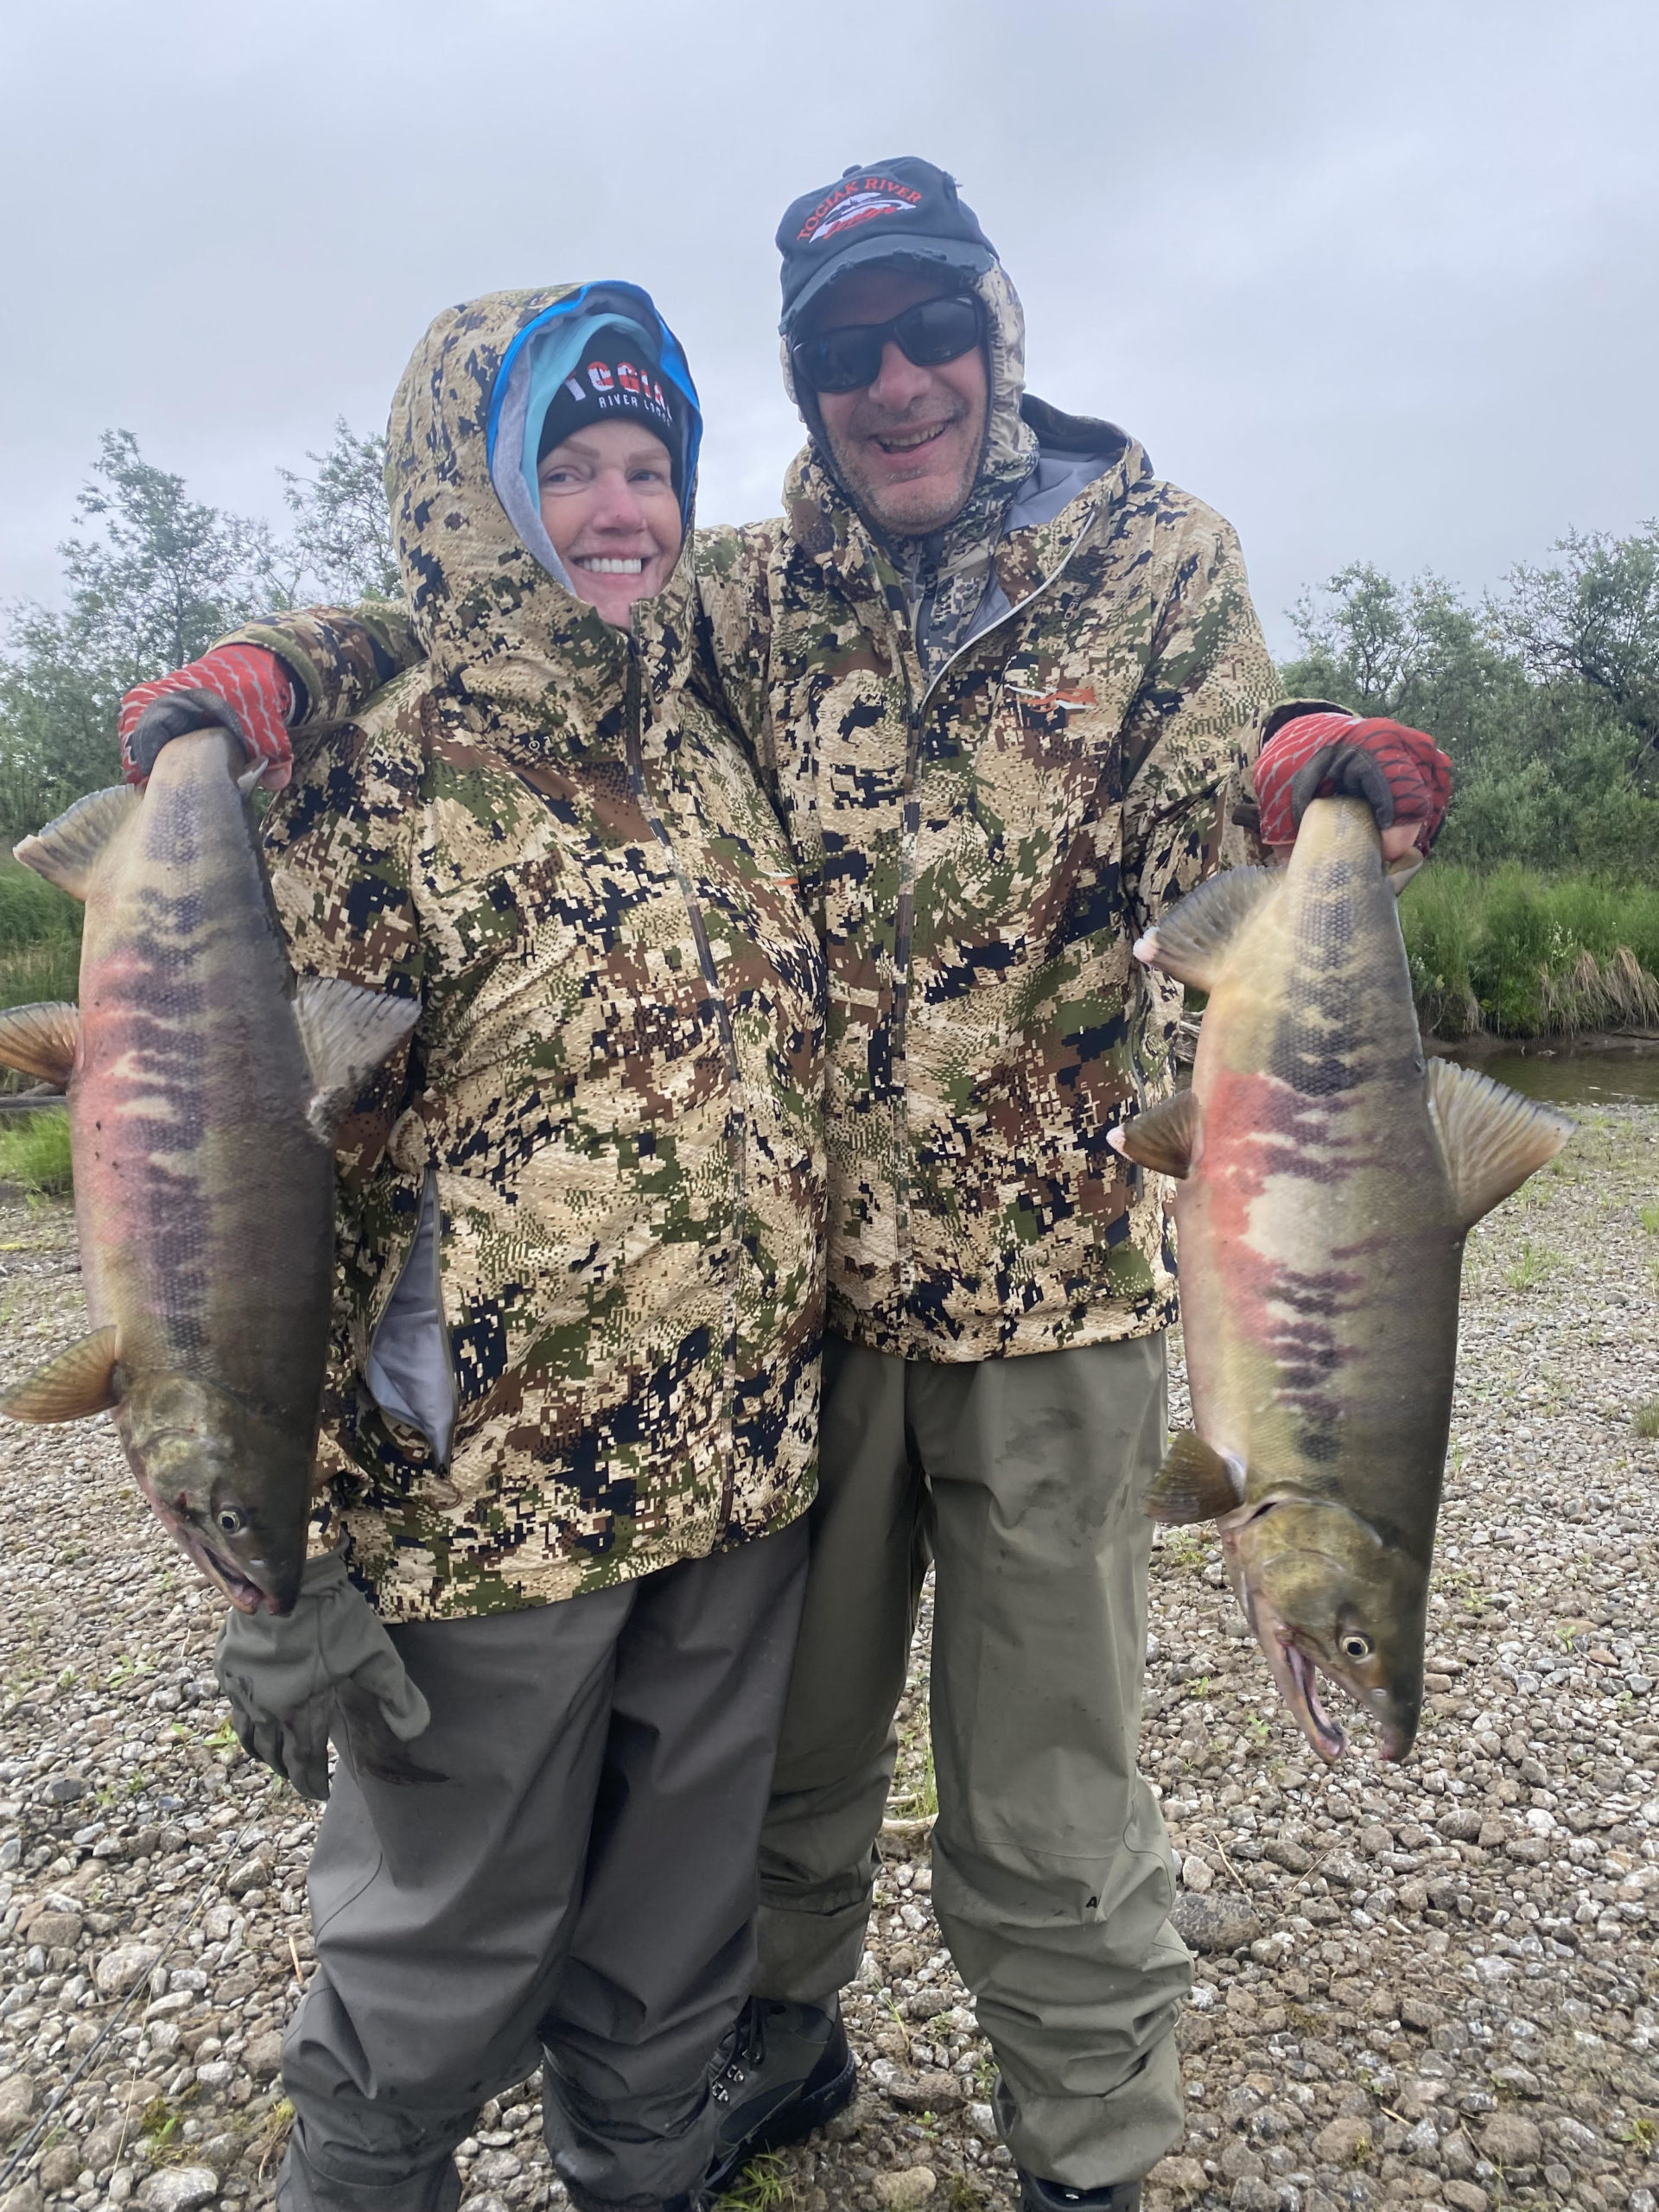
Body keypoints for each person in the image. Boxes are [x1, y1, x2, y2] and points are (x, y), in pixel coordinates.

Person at [124, 166, 1451, 2212]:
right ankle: (769, 2040)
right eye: (845, 349)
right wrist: (268, 676)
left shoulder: (1165, 560)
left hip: (1057, 1300)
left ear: (999, 329)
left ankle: (1088, 2147)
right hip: (802, 1318)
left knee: (1048, 1785)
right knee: (778, 1764)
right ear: (807, 379)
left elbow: (1236, 787)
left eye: (932, 329)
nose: (896, 380)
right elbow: (491, 595)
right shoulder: (747, 587)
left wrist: (1311, 768)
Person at [123, 280, 828, 2212]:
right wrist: (277, 1569)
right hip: (480, 1502)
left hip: (740, 1471)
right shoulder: (358, 768)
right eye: (570, 464)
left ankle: (644, 2168)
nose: (622, 506)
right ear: (474, 481)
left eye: (648, 464)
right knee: (441, 1933)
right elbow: (248, 1190)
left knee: (677, 1921)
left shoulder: (706, 742)